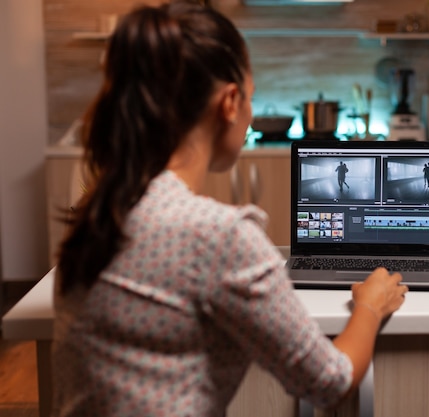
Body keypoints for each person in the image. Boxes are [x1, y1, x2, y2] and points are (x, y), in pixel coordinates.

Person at [51, 2, 408, 417]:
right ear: (231, 101)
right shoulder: (219, 236)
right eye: (252, 99)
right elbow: (330, 382)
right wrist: (370, 304)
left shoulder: (96, 209)